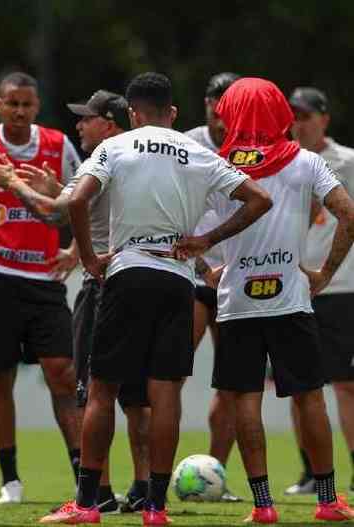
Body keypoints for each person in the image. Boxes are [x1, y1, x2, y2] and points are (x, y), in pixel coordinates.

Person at [40, 72, 272, 525]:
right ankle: (156, 508)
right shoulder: (197, 151)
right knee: (165, 393)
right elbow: (259, 199)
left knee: (102, 390)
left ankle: (87, 505)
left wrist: (88, 256)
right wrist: (206, 238)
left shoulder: (115, 147)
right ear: (172, 113)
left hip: (127, 271)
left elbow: (76, 202)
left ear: (131, 113)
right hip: (177, 279)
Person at [0, 89, 151, 514]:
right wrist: (58, 188)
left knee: (94, 391)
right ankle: (147, 490)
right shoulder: (142, 156)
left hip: (104, 287)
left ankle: (97, 495)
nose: (79, 125)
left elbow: (58, 213)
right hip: (145, 281)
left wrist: (14, 182)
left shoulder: (102, 159)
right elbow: (84, 203)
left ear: (108, 124)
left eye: (86, 118)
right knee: (138, 396)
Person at [208, 77, 354, 524]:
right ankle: (328, 500)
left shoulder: (214, 165)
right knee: (310, 396)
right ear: (281, 115)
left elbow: (182, 231)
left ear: (228, 114)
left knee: (246, 401)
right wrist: (325, 273)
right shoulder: (307, 162)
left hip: (238, 302)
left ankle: (263, 505)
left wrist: (207, 269)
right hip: (291, 297)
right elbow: (348, 213)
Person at [0, 72, 82, 504]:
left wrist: (73, 248)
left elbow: (82, 199)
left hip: (46, 279)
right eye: (11, 103)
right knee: (1, 376)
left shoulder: (57, 144)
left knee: (62, 374)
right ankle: (10, 480)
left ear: (36, 107)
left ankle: (81, 474)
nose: (19, 111)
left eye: (26, 104)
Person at [286, 86, 354, 496]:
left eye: (306, 115)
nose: (299, 123)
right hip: (293, 288)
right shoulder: (282, 162)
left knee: (346, 384)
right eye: (293, 116)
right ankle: (310, 472)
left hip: (342, 287)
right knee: (298, 386)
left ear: (324, 118)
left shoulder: (347, 161)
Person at [184, 72, 243, 502]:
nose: (222, 109)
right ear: (206, 103)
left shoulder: (256, 150)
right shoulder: (186, 145)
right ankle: (148, 477)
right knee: (167, 373)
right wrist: (203, 263)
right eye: (216, 99)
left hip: (238, 277)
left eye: (230, 102)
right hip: (192, 275)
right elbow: (172, 212)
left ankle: (214, 479)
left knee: (234, 382)